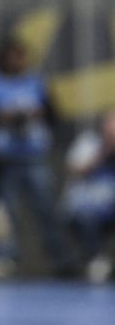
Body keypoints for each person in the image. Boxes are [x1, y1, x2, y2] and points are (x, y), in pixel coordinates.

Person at [0, 35, 74, 275]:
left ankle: (62, 262)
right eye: (13, 55)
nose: (18, 60)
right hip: (4, 160)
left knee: (48, 211)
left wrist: (37, 113)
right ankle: (7, 262)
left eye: (22, 55)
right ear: (4, 57)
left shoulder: (37, 82)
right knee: (5, 216)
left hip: (34, 158)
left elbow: (55, 117)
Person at [62, 108, 115, 282]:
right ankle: (96, 262)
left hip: (111, 205)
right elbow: (75, 169)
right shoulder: (88, 142)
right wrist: (104, 151)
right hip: (88, 205)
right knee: (84, 218)